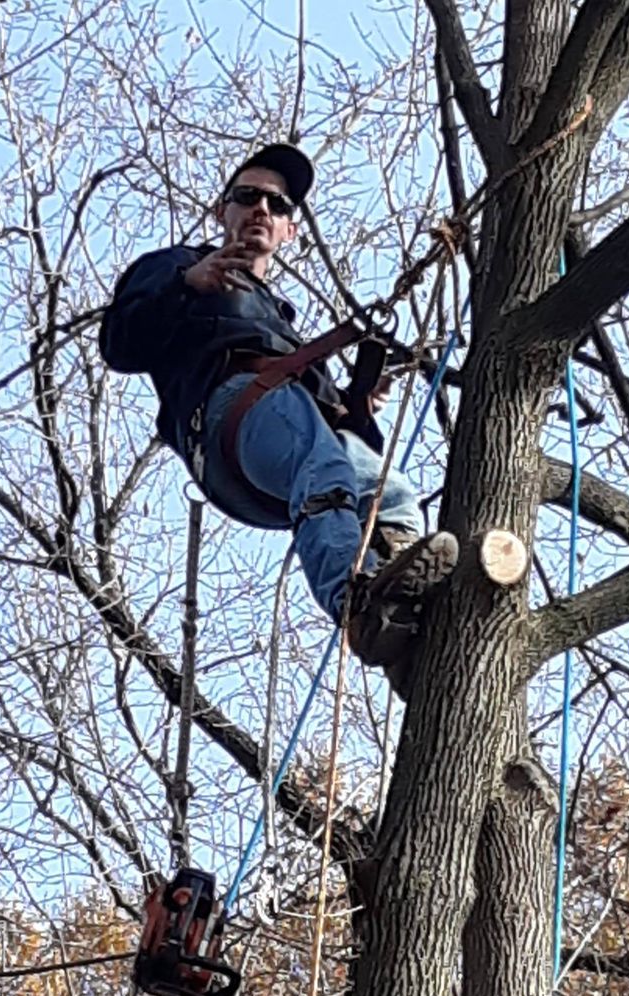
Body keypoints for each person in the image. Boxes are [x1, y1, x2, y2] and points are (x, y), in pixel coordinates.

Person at [99, 144, 457, 689]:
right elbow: (120, 346)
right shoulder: (175, 266)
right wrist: (186, 286)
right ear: (224, 212)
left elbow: (322, 418)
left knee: (391, 490)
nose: (263, 209)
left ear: (290, 230)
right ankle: (354, 602)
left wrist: (355, 405)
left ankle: (404, 611)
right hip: (227, 416)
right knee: (326, 467)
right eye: (248, 197)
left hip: (286, 432)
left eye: (278, 204)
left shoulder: (279, 319)